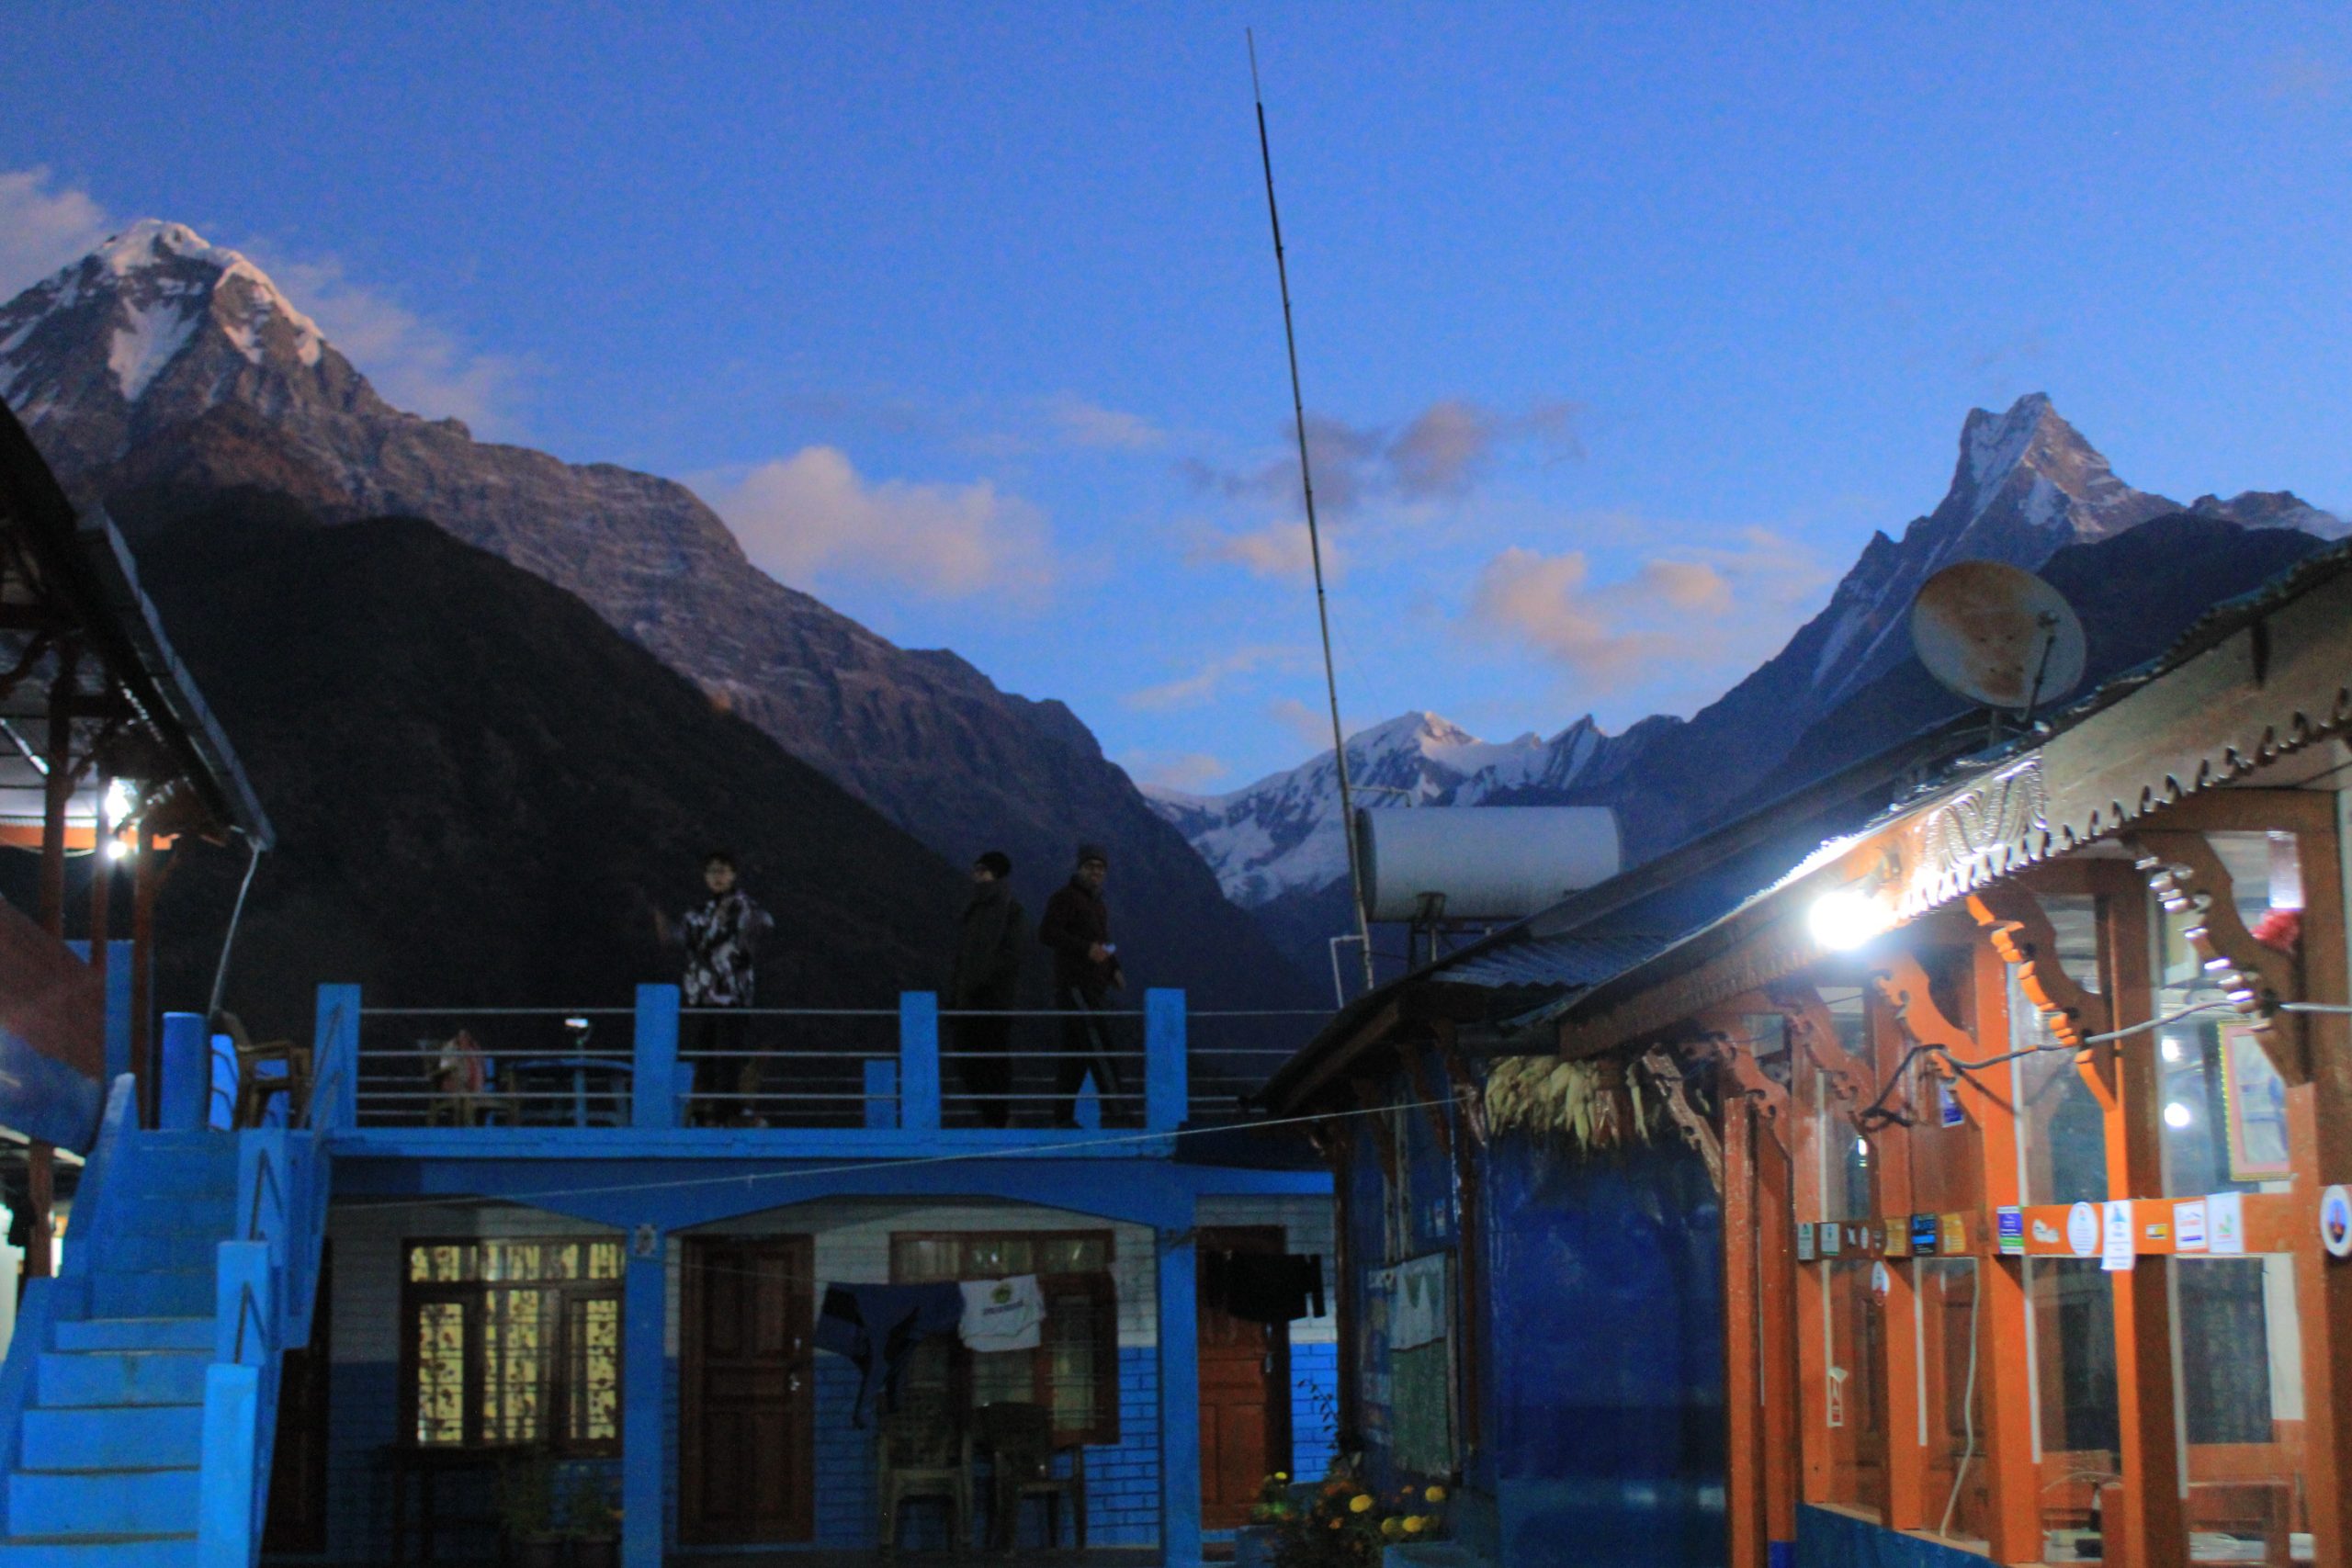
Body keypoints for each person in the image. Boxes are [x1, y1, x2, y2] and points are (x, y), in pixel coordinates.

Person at [656, 850, 774, 1124]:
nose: (717, 877)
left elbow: (765, 924)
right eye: (712, 871)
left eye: (723, 871)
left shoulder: (745, 907)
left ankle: (725, 1108)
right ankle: (703, 1107)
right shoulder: (700, 912)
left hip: (732, 992)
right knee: (706, 1052)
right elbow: (679, 938)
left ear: (733, 874)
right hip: (704, 993)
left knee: (728, 1051)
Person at [1037, 843, 1126, 1127]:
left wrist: (1114, 968)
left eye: (1101, 868)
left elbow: (1104, 940)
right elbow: (1048, 933)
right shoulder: (1064, 898)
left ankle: (1062, 1118)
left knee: (1075, 1056)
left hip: (1094, 984)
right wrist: (1085, 948)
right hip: (1075, 984)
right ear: (1079, 868)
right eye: (1091, 866)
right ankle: (1117, 1116)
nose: (1096, 872)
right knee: (1101, 1048)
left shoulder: (1098, 904)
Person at [948, 851, 1025, 1128]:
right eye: (976, 870)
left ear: (996, 873)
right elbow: (963, 958)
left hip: (993, 999)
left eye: (984, 870)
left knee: (991, 1058)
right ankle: (994, 1115)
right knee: (966, 1058)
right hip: (969, 999)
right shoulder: (973, 910)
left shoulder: (1009, 910)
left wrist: (985, 982)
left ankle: (997, 1116)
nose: (978, 875)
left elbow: (1010, 956)